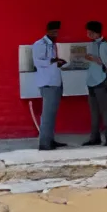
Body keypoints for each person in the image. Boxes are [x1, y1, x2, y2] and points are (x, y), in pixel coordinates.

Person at [32, 21, 67, 151]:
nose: (55, 34)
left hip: (56, 81)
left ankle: (50, 139)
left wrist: (58, 63)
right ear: (47, 31)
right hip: (47, 83)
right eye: (53, 32)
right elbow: (38, 61)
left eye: (57, 32)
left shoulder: (53, 45)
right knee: (47, 115)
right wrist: (53, 61)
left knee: (52, 114)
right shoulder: (39, 44)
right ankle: (44, 143)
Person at [82, 20, 107, 146]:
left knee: (105, 111)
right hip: (91, 81)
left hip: (101, 81)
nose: (88, 35)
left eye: (90, 32)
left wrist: (93, 59)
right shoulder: (92, 44)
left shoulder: (104, 45)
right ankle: (94, 137)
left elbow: (106, 62)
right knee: (94, 112)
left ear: (96, 33)